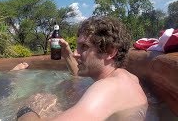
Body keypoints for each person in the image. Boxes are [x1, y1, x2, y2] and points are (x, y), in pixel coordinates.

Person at [17, 16, 148, 121]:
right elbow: (78, 75)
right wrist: (67, 54)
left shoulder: (108, 88)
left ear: (110, 51)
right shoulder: (126, 78)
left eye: (84, 47)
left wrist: (24, 109)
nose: (76, 53)